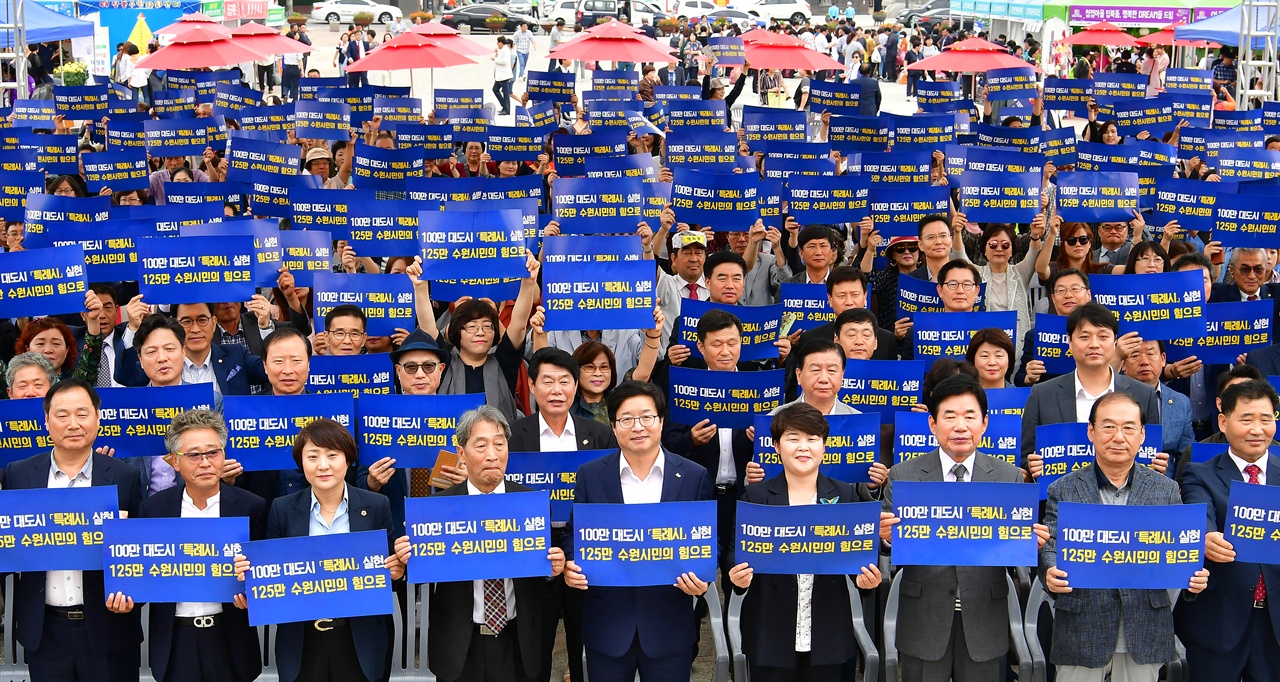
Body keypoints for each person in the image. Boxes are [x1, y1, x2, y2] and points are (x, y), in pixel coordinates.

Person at [881, 375, 1048, 681]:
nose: (960, 426)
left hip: (986, 616)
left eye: (970, 416)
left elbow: (1012, 551)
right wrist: (888, 539)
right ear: (933, 424)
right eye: (950, 416)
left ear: (984, 424)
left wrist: (1030, 544)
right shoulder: (903, 476)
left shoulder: (1008, 477)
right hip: (923, 616)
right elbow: (885, 547)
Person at [1040, 392, 1209, 682]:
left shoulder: (1166, 490)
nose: (1119, 436)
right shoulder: (1063, 489)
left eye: (1129, 427)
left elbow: (1181, 551)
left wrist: (1193, 579)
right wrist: (1050, 571)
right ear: (1091, 432)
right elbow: (1051, 545)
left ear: (1142, 435)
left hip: (1144, 627)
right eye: (1108, 426)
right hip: (1082, 624)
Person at [389, 405, 566, 682]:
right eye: (481, 445)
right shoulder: (436, 508)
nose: (492, 455)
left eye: (499, 444)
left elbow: (544, 576)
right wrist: (403, 562)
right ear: (461, 453)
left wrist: (553, 570)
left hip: (519, 641)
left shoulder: (532, 503)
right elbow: (417, 573)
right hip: (459, 644)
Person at [563, 381, 714, 681]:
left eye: (647, 417)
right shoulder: (591, 474)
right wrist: (571, 563)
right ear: (615, 426)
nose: (638, 427)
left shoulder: (694, 476)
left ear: (660, 421)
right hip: (607, 624)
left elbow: (709, 539)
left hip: (669, 623)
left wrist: (704, 577)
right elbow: (573, 533)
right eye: (627, 419)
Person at [234, 419, 404, 682]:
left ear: (348, 459)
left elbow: (388, 574)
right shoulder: (282, 508)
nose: (322, 465)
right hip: (302, 641)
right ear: (301, 463)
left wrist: (397, 571)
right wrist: (251, 585)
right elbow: (271, 571)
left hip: (358, 639)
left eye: (332, 455)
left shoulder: (376, 504)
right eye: (312, 456)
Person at [727, 402, 884, 682]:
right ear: (776, 446)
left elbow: (859, 561)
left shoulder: (846, 495)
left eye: (812, 439)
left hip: (830, 635)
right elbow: (733, 553)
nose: (803, 447)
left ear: (824, 446)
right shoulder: (756, 497)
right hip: (770, 634)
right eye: (793, 438)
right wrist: (737, 576)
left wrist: (866, 580)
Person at [4, 379, 144, 681]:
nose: (73, 424)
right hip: (44, 630)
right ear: (46, 421)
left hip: (109, 629)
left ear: (97, 418)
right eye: (62, 415)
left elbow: (140, 550)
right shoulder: (19, 474)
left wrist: (132, 594)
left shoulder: (125, 476)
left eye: (82, 414)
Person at [121, 409, 268, 682]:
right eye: (193, 455)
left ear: (224, 455)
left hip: (229, 637)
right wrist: (126, 597)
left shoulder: (251, 507)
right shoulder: (154, 509)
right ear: (174, 462)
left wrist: (253, 592)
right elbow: (141, 573)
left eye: (213, 452)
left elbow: (263, 578)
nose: (205, 463)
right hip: (175, 638)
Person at [506, 348, 616, 682]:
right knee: (533, 642)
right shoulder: (512, 435)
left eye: (565, 381)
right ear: (533, 384)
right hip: (532, 548)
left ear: (575, 384)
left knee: (586, 638)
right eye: (548, 381)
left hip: (584, 545)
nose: (557, 390)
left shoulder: (598, 434)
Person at [1177, 380, 1280, 680]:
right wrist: (1207, 537)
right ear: (1223, 421)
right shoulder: (1200, 472)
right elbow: (1200, 513)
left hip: (1275, 624)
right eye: (1246, 419)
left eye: (1266, 419)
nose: (1257, 429)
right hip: (1219, 622)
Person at [1021, 303, 1162, 465]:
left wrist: (1157, 465)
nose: (1094, 344)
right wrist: (1032, 467)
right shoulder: (1043, 394)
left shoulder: (1143, 394)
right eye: (1084, 337)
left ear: (1115, 341)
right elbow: (1024, 456)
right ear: (1070, 341)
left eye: (1103, 337)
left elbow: (1149, 453)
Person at [1121, 339, 1194, 473]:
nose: (1144, 362)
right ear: (1123, 364)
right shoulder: (1112, 397)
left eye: (1150, 354)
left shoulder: (1180, 402)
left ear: (1163, 359)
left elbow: (1186, 455)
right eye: (1135, 355)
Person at [493, 37, 515, 116]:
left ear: (501, 42)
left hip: (504, 75)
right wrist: (496, 54)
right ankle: (504, 106)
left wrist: (494, 59)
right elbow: (499, 57)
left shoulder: (506, 50)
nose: (497, 44)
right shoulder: (502, 49)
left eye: (497, 42)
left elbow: (504, 62)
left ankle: (507, 109)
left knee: (505, 92)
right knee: (495, 89)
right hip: (499, 75)